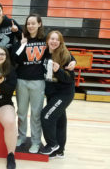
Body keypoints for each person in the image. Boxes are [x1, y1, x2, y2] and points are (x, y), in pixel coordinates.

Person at [13, 14, 76, 153]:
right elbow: (14, 58)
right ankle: (21, 137)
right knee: (22, 112)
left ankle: (36, 141)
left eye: (33, 23)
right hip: (21, 81)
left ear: (39, 24)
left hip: (38, 82)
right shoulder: (22, 39)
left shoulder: (45, 40)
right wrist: (22, 45)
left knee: (36, 114)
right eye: (28, 23)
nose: (30, 26)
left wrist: (74, 60)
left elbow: (62, 49)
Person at [39, 30, 75, 158]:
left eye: (56, 39)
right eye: (51, 39)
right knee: (59, 121)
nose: (54, 41)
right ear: (47, 40)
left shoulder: (65, 55)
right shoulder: (44, 52)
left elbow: (69, 79)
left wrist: (58, 70)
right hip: (52, 94)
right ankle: (59, 150)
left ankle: (52, 144)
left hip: (64, 93)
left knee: (46, 116)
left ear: (60, 42)